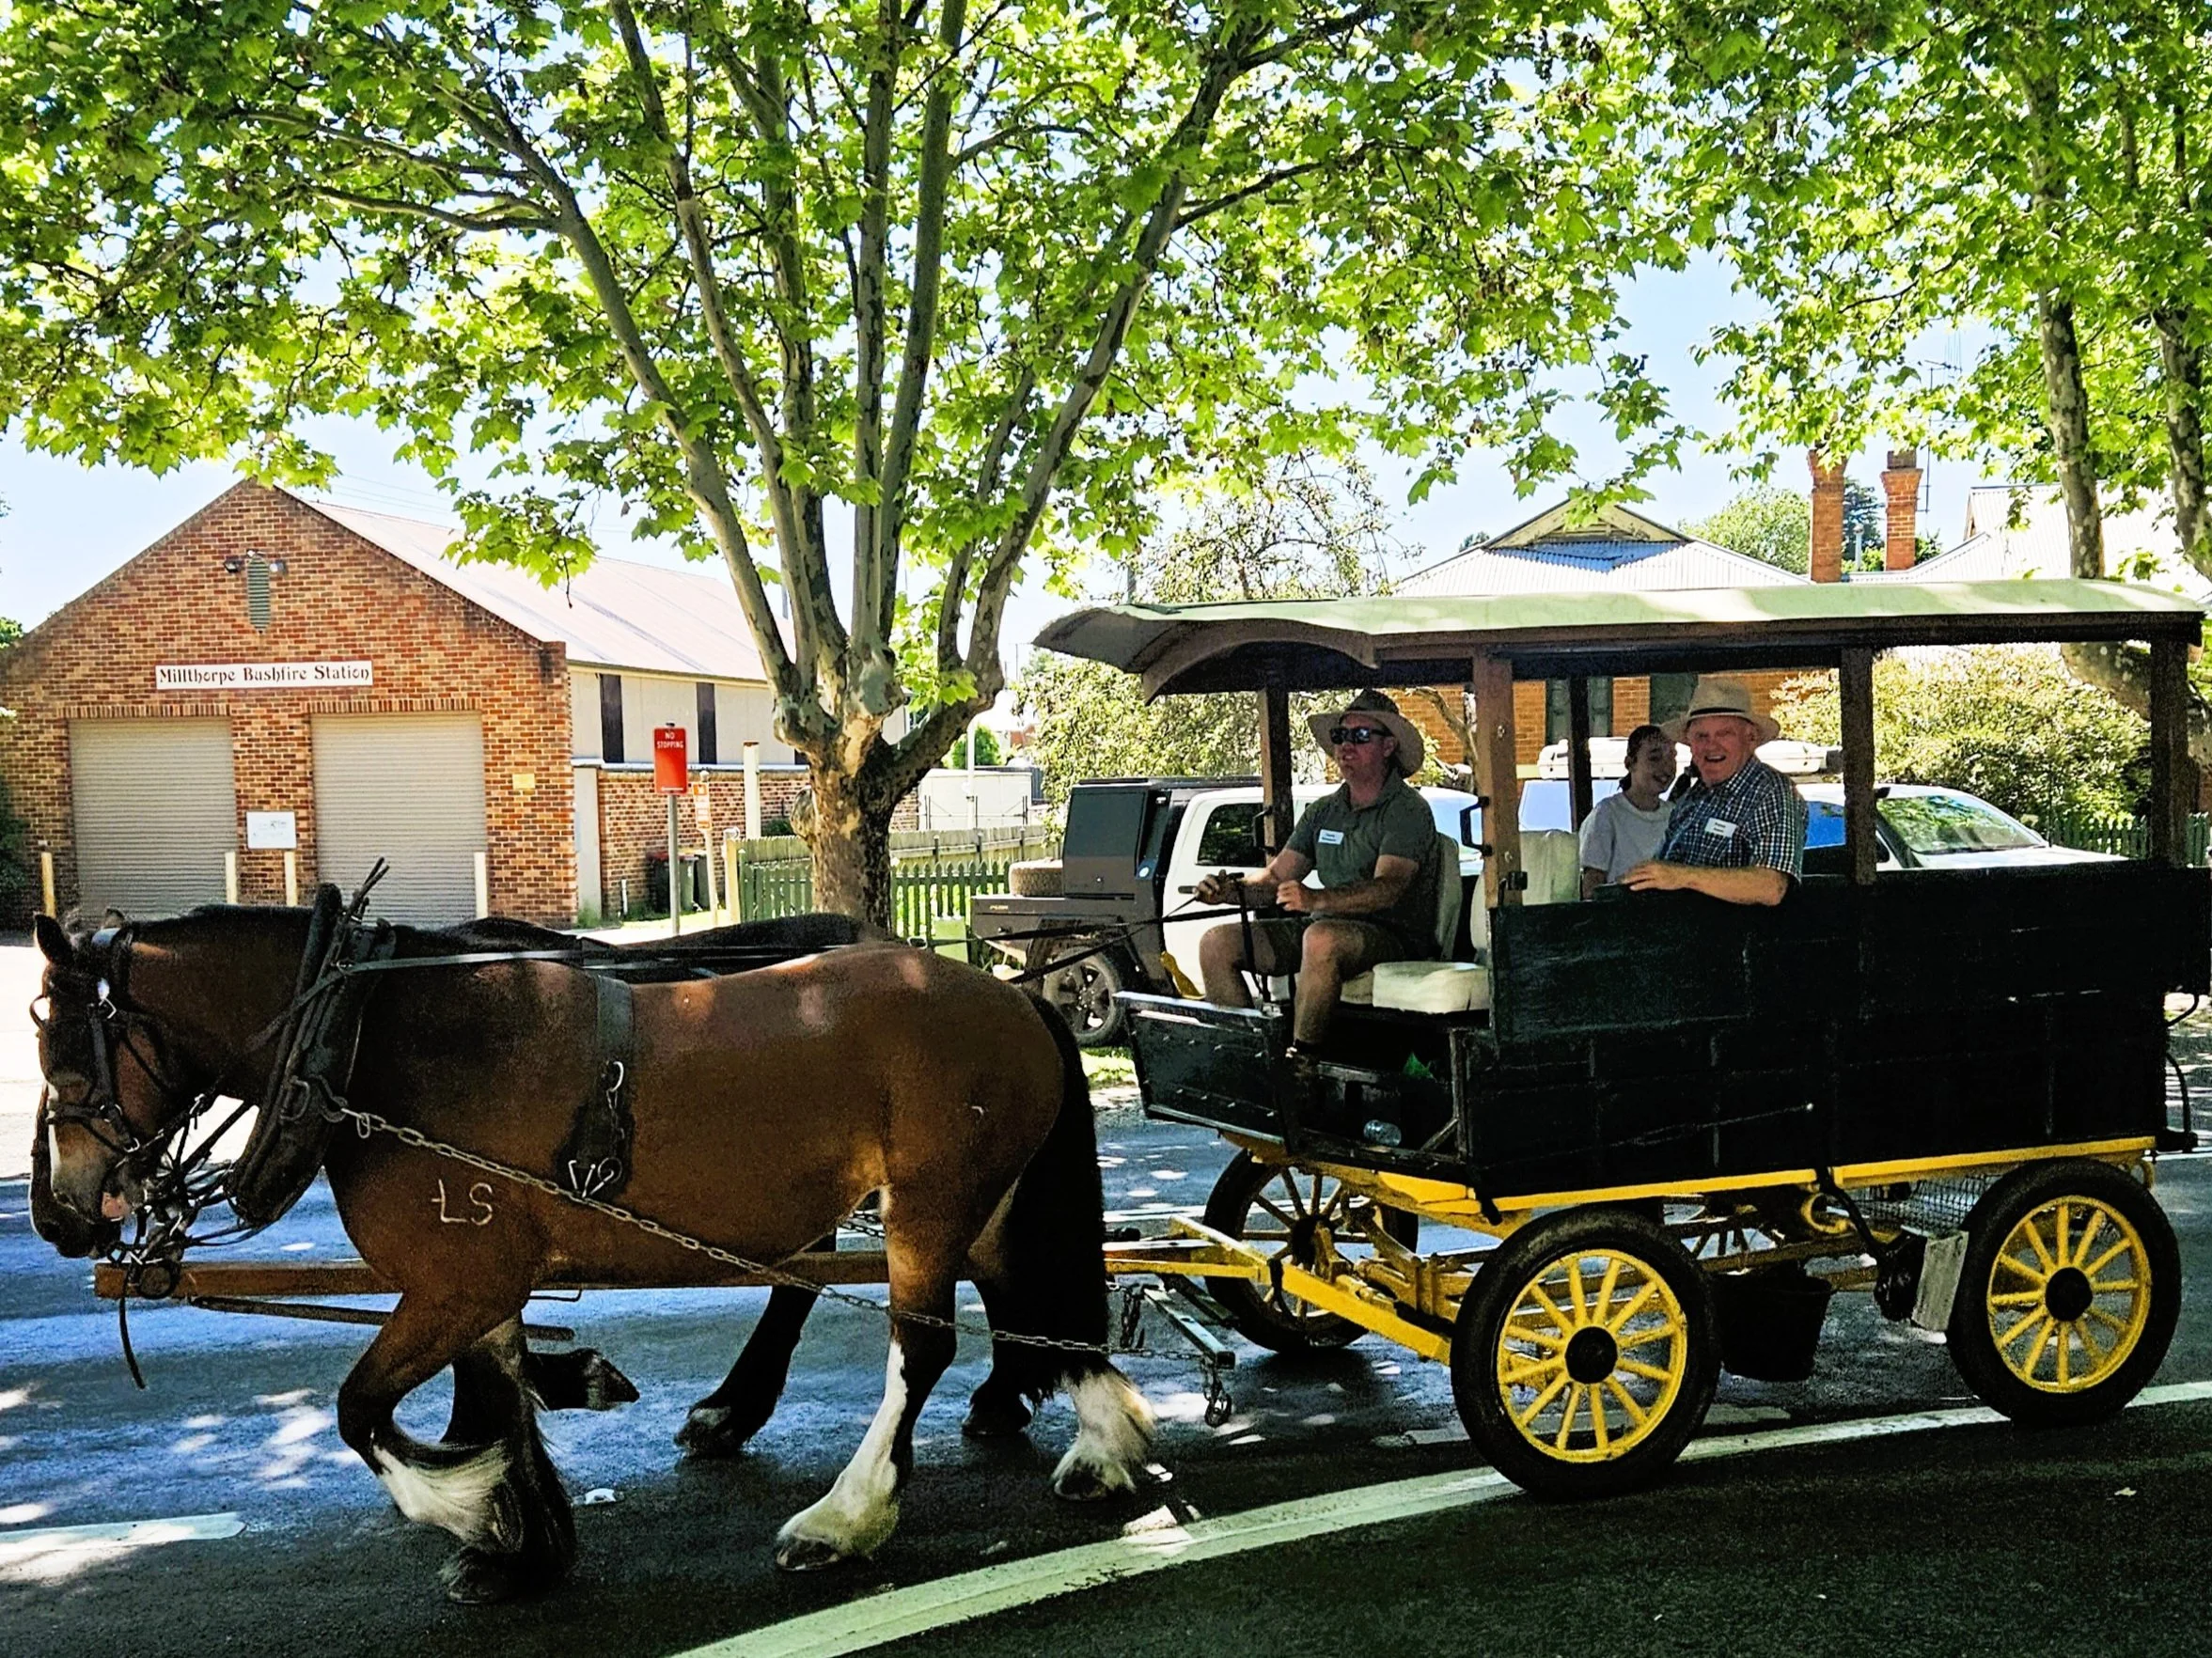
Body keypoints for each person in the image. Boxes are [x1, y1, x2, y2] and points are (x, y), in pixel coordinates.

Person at [1194, 690, 1441, 1056]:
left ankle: (1301, 1066)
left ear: (1388, 746)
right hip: (1321, 926)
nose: (1345, 746)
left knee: (1321, 938)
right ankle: (1250, 1060)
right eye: (1340, 736)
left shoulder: (1408, 810)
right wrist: (1229, 891)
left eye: (1360, 736)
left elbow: (1389, 888)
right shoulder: (1324, 811)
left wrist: (1316, 899)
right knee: (1216, 943)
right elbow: (1276, 877)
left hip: (1393, 936)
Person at [1621, 677, 1807, 906]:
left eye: (1724, 734)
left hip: (1739, 940)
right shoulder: (1691, 799)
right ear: (1689, 743)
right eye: (1701, 736)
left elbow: (1771, 887)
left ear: (1751, 739)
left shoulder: (1772, 792)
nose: (1711, 745)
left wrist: (1682, 876)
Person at [1578, 724, 1679, 898]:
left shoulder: (1675, 814)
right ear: (1630, 764)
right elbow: (1591, 886)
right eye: (1655, 758)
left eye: (1672, 757)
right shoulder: (1607, 814)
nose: (1666, 766)